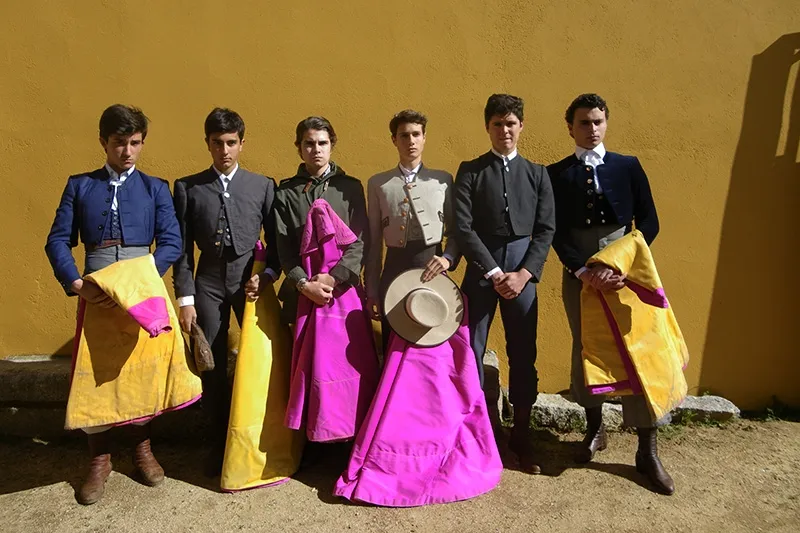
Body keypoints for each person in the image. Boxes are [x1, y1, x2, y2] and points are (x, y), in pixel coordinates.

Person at [45, 104, 190, 504]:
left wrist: (139, 281)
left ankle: (143, 450)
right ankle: (100, 459)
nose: (128, 151)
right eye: (119, 143)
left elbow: (172, 242)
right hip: (96, 292)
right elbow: (57, 240)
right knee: (96, 376)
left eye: (135, 143)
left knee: (140, 373)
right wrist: (77, 283)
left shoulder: (155, 188)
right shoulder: (80, 186)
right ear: (103, 142)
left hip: (141, 294)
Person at [547, 93, 674, 494]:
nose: (592, 128)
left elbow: (649, 222)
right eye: (584, 122)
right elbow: (554, 231)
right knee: (588, 348)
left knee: (637, 350)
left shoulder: (627, 166)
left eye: (598, 121)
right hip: (580, 273)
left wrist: (619, 264)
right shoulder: (556, 174)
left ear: (606, 123)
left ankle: (647, 449)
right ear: (570, 127)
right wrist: (584, 270)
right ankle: (595, 429)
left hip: (626, 273)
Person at [172, 108, 281, 476]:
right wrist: (185, 298)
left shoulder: (262, 185)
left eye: (231, 142)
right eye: (217, 143)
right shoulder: (188, 187)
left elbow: (277, 243)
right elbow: (181, 249)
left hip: (250, 282)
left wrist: (268, 274)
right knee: (212, 364)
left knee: (260, 360)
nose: (224, 150)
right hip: (208, 282)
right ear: (207, 144)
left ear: (241, 143)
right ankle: (219, 444)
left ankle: (264, 440)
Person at [453, 94, 555, 474]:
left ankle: (522, 435)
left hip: (523, 275)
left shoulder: (537, 174)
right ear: (488, 127)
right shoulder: (471, 171)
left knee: (523, 353)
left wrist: (524, 274)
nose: (504, 130)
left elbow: (545, 230)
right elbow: (463, 227)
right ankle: (479, 432)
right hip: (483, 274)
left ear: (521, 126)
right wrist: (494, 272)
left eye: (511, 123)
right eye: (497, 124)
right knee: (471, 351)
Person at [274, 116, 378, 442]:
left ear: (332, 145)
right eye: (309, 143)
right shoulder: (286, 193)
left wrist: (333, 280)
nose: (316, 149)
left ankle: (351, 437)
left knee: (348, 365)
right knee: (309, 368)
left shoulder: (350, 188)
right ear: (298, 147)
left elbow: (361, 241)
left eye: (322, 143)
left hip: (343, 293)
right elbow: (283, 249)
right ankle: (310, 440)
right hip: (304, 293)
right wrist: (304, 284)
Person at [364, 109, 459, 354]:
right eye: (404, 135)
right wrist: (372, 290)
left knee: (432, 342)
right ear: (394, 140)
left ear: (424, 138)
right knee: (394, 346)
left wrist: (448, 258)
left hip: (432, 267)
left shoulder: (442, 180)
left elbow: (456, 230)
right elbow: (374, 242)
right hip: (394, 270)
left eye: (416, 134)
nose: (411, 141)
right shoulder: (378, 183)